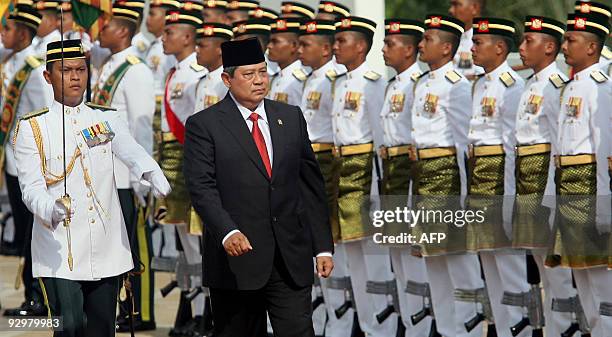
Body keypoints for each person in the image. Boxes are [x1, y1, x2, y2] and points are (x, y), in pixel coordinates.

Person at [12, 38, 170, 337]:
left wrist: (149, 170)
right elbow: (30, 187)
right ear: (48, 76)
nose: (75, 77)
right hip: (61, 249)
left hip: (105, 247)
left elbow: (130, 149)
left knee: (101, 329)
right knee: (69, 326)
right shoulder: (33, 128)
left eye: (81, 69)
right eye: (65, 70)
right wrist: (50, 207)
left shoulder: (105, 117)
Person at [183, 37, 334, 337]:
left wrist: (323, 247)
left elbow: (310, 186)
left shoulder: (290, 118)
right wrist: (227, 230)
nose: (258, 81)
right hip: (237, 261)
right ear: (227, 79)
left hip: (289, 257)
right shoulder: (205, 125)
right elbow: (201, 188)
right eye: (248, 75)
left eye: (262, 72)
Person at [411, 14, 485, 337]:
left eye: (427, 39)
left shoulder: (456, 86)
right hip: (424, 181)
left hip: (448, 182)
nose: (421, 44)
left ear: (445, 48)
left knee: (460, 267)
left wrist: (466, 197)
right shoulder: (422, 83)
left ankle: (468, 330)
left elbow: (462, 143)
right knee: (434, 266)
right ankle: (445, 331)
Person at [92, 0, 158, 331]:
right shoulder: (108, 65)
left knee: (135, 246)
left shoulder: (136, 70)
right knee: (115, 247)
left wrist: (142, 179)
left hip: (125, 177)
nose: (99, 31)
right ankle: (121, 307)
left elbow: (141, 128)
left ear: (122, 31)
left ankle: (140, 311)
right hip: (106, 174)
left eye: (104, 26)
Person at [546, 4, 611, 337]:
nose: (564, 45)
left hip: (589, 192)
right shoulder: (569, 86)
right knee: (583, 282)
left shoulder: (601, 86)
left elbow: (604, 151)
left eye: (571, 39)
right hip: (568, 193)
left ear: (592, 47)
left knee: (603, 290)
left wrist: (604, 204)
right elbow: (559, 151)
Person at [331, 15, 398, 337]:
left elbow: (381, 140)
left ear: (360, 46)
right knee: (352, 256)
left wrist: (377, 187)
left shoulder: (373, 83)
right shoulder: (340, 81)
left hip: (366, 174)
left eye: (341, 41)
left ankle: (383, 329)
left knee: (374, 258)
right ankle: (367, 326)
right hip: (342, 170)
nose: (335, 47)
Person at [513, 15, 577, 337]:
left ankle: (568, 329)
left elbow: (557, 145)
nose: (521, 48)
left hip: (545, 187)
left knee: (558, 272)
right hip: (526, 185)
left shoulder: (555, 87)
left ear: (549, 47)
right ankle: (553, 329)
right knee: (540, 267)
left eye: (528, 42)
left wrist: (552, 198)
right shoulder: (530, 85)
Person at [468, 16, 529, 337]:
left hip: (498, 182)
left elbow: (511, 149)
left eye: (479, 43)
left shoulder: (511, 86)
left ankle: (519, 329)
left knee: (509, 270)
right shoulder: (479, 83)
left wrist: (508, 202)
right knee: (490, 268)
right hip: (479, 181)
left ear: (500, 48)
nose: (473, 48)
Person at [380, 18, 435, 337]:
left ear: (410, 49)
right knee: (396, 254)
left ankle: (422, 326)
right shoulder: (393, 83)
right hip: (390, 173)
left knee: (415, 259)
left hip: (413, 174)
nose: (385, 49)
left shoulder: (419, 83)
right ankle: (405, 323)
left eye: (391, 44)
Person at [0, 4, 52, 318]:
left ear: (21, 33)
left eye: (6, 29)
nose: (2, 34)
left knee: (34, 232)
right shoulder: (12, 61)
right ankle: (33, 295)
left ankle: (38, 298)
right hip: (12, 162)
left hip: (29, 163)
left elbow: (45, 115)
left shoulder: (33, 68)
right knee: (23, 231)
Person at [297, 19, 342, 337]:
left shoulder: (332, 79)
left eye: (305, 44)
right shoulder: (311, 79)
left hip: (331, 162)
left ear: (325, 49)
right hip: (308, 157)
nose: (299, 50)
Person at [267, 17, 308, 106]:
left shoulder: (300, 81)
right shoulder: (274, 78)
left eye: (275, 42)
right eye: (269, 41)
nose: (269, 46)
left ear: (293, 46)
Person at [194, 22, 232, 112]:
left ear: (220, 50)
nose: (196, 50)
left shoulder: (229, 83)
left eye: (202, 46)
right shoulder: (202, 82)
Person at [448, 0, 484, 78]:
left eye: (456, 5)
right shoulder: (445, 38)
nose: (450, 10)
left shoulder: (487, 42)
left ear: (474, 8)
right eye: (451, 5)